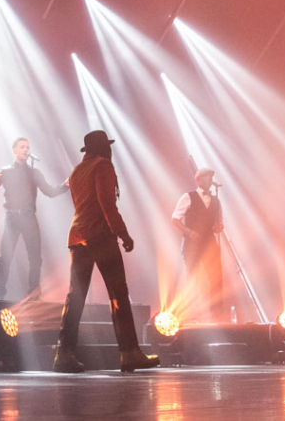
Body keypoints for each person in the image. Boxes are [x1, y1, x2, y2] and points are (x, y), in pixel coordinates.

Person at [53, 130, 159, 373]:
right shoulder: (103, 166)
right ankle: (130, 353)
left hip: (78, 235)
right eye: (108, 146)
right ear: (104, 147)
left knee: (75, 297)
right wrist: (123, 234)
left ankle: (64, 353)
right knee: (118, 295)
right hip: (99, 235)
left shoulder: (77, 171)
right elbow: (106, 204)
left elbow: (81, 205)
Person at [0, 137, 68, 300]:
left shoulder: (35, 173)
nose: (26, 150)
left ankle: (34, 293)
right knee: (5, 257)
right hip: (12, 217)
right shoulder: (6, 171)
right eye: (22, 147)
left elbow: (50, 191)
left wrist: (65, 185)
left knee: (35, 257)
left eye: (28, 147)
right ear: (14, 150)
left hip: (29, 217)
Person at [171, 167, 225, 323]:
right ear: (199, 179)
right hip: (192, 243)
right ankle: (190, 314)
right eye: (208, 177)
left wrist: (219, 227)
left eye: (211, 177)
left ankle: (217, 316)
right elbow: (175, 219)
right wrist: (189, 232)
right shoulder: (188, 197)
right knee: (193, 278)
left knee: (216, 278)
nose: (210, 180)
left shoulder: (216, 200)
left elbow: (218, 222)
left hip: (210, 242)